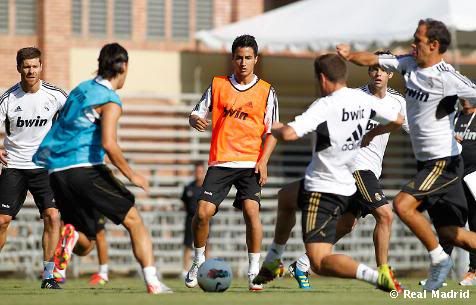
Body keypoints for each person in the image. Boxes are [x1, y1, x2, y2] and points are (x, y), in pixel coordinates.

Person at [337, 18, 476, 291]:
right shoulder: (407, 63)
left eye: (418, 40)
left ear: (434, 45)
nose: (413, 44)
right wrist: (349, 55)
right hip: (428, 164)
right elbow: (373, 59)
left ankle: (439, 261)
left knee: (400, 205)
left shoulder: (448, 77)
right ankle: (441, 257)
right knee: (452, 233)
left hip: (444, 163)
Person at [252, 54, 404, 293]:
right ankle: (273, 259)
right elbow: (397, 121)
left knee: (320, 261)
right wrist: (373, 134)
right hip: (342, 182)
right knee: (286, 196)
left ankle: (375, 277)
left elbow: (290, 135)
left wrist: (276, 128)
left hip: (322, 189)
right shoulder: (361, 99)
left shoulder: (325, 105)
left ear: (322, 79)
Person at [33, 43, 171, 294]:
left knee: (87, 242)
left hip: (56, 172)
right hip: (84, 169)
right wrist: (132, 175)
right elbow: (109, 143)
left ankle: (71, 236)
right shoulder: (110, 99)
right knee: (134, 220)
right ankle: (153, 282)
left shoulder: (80, 90)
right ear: (124, 67)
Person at [187, 34, 279, 291]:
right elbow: (195, 113)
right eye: (239, 57)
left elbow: (272, 131)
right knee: (203, 213)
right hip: (221, 160)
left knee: (252, 211)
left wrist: (264, 161)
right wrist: (194, 120)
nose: (243, 62)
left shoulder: (267, 90)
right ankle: (197, 261)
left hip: (250, 162)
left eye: (248, 58)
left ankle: (253, 271)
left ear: (256, 60)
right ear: (232, 58)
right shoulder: (218, 85)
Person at [0, 47, 67, 289]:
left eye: (34, 66)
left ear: (41, 67)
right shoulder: (8, 98)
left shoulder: (56, 95)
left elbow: (73, 120)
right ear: (18, 68)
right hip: (14, 166)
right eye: (26, 66)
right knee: (2, 221)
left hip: (44, 167)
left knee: (52, 216)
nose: (30, 70)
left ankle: (48, 276)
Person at [453, 98, 476, 285]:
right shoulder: (455, 116)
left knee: (475, 221)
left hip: (474, 176)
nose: (464, 100)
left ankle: (473, 270)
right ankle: (440, 270)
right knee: (451, 219)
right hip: (454, 175)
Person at [180, 161, 207, 278]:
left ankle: (205, 269)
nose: (198, 174)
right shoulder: (188, 187)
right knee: (187, 245)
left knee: (206, 245)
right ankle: (185, 270)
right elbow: (184, 203)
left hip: (204, 220)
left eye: (200, 171)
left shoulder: (207, 188)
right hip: (190, 219)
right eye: (197, 171)